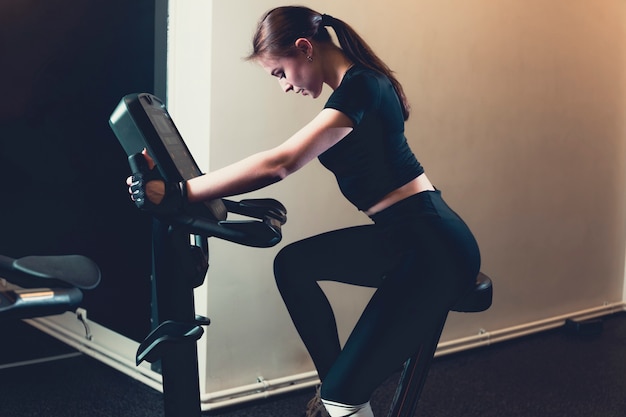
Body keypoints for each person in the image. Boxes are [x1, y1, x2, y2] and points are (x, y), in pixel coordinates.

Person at [127, 6, 481, 417]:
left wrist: (181, 191)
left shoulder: (362, 86)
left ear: (304, 48)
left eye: (279, 73)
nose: (284, 86)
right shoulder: (354, 89)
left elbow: (281, 162)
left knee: (342, 399)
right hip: (403, 235)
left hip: (433, 244)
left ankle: (339, 398)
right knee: (293, 265)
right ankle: (335, 389)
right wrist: (179, 187)